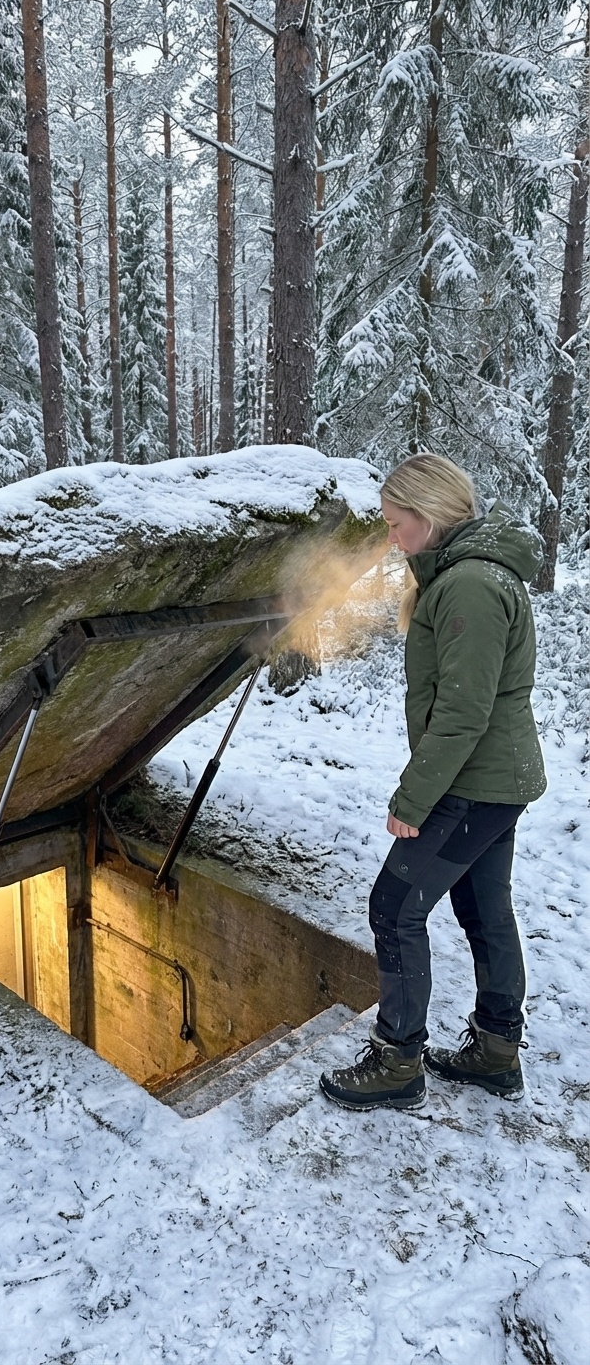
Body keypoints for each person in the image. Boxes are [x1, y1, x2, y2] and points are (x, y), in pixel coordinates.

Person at [320, 454, 546, 1111]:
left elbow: (463, 711)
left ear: (431, 516)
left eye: (397, 525)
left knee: (394, 907)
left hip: (473, 783)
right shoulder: (465, 574)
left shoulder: (469, 585)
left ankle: (397, 1060)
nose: (392, 539)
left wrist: (413, 800)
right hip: (495, 780)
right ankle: (497, 1051)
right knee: (481, 907)